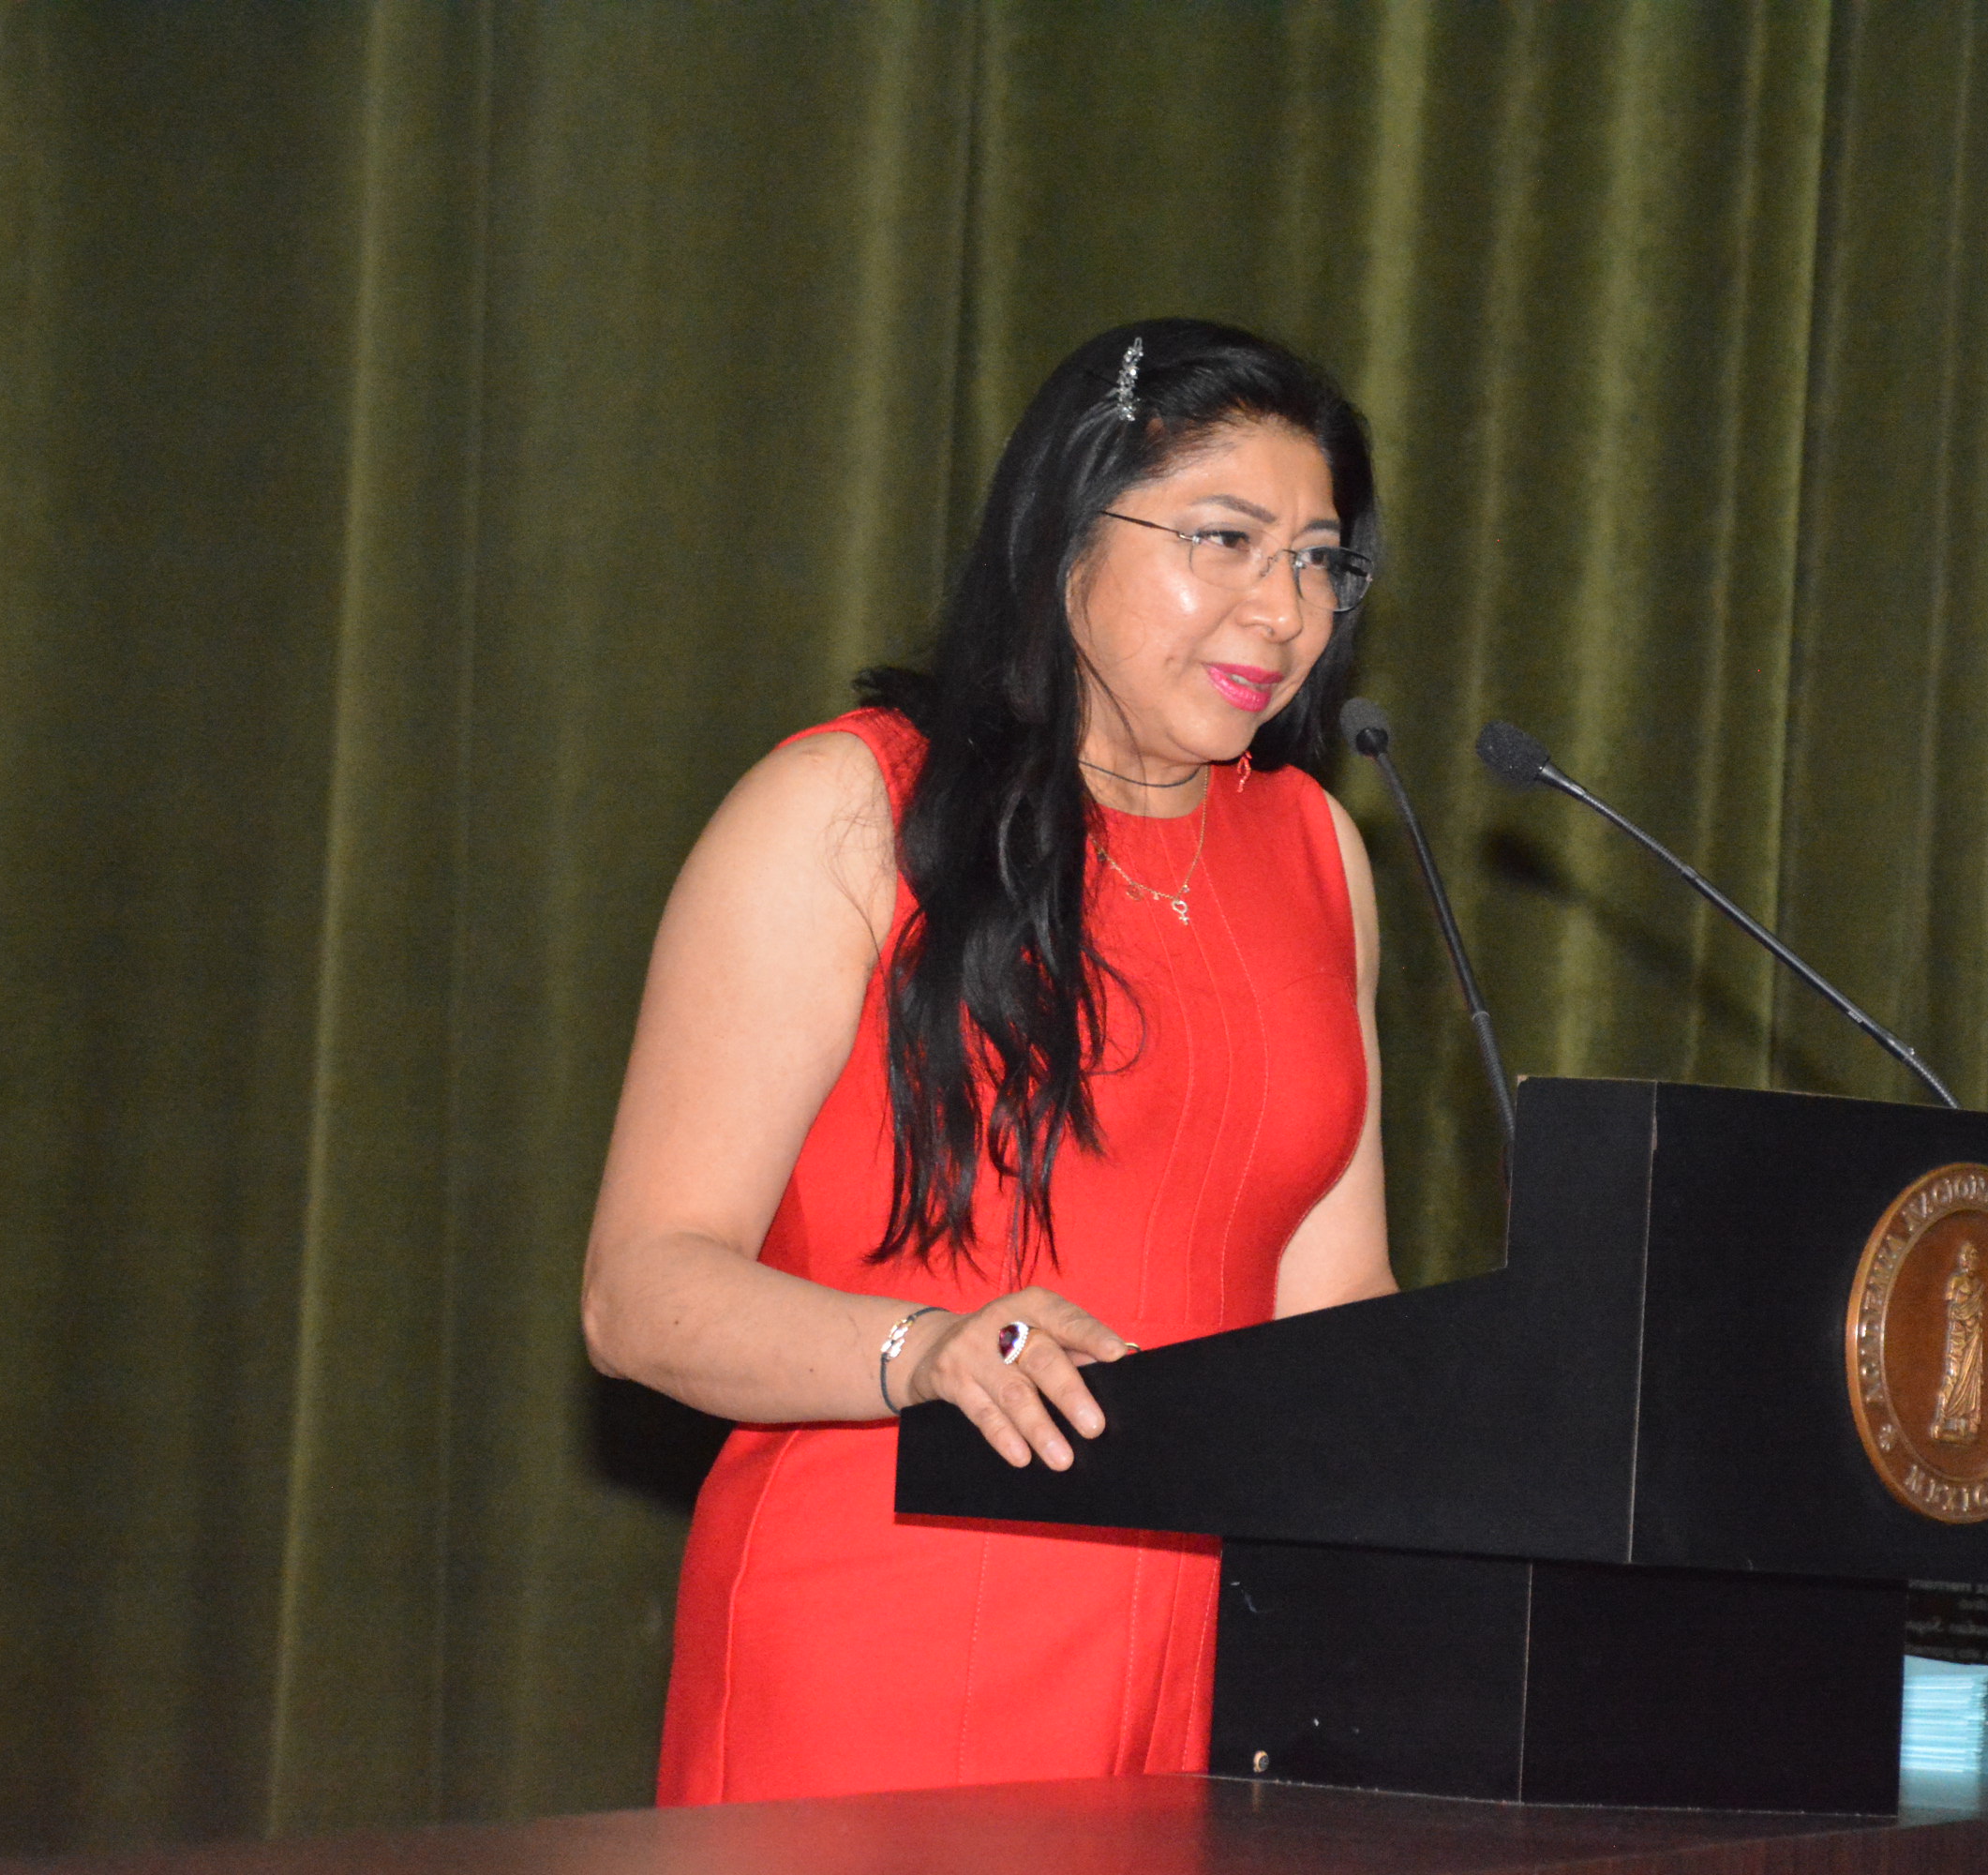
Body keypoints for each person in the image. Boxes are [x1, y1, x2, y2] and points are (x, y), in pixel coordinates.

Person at [580, 319, 1397, 1804]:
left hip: (1217, 1680)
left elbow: (1335, 1321)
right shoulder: (846, 811)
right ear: (1064, 528)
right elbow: (637, 1296)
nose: (1283, 611)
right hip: (882, 1636)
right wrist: (927, 1352)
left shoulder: (1316, 854)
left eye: (1318, 561)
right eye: (1225, 540)